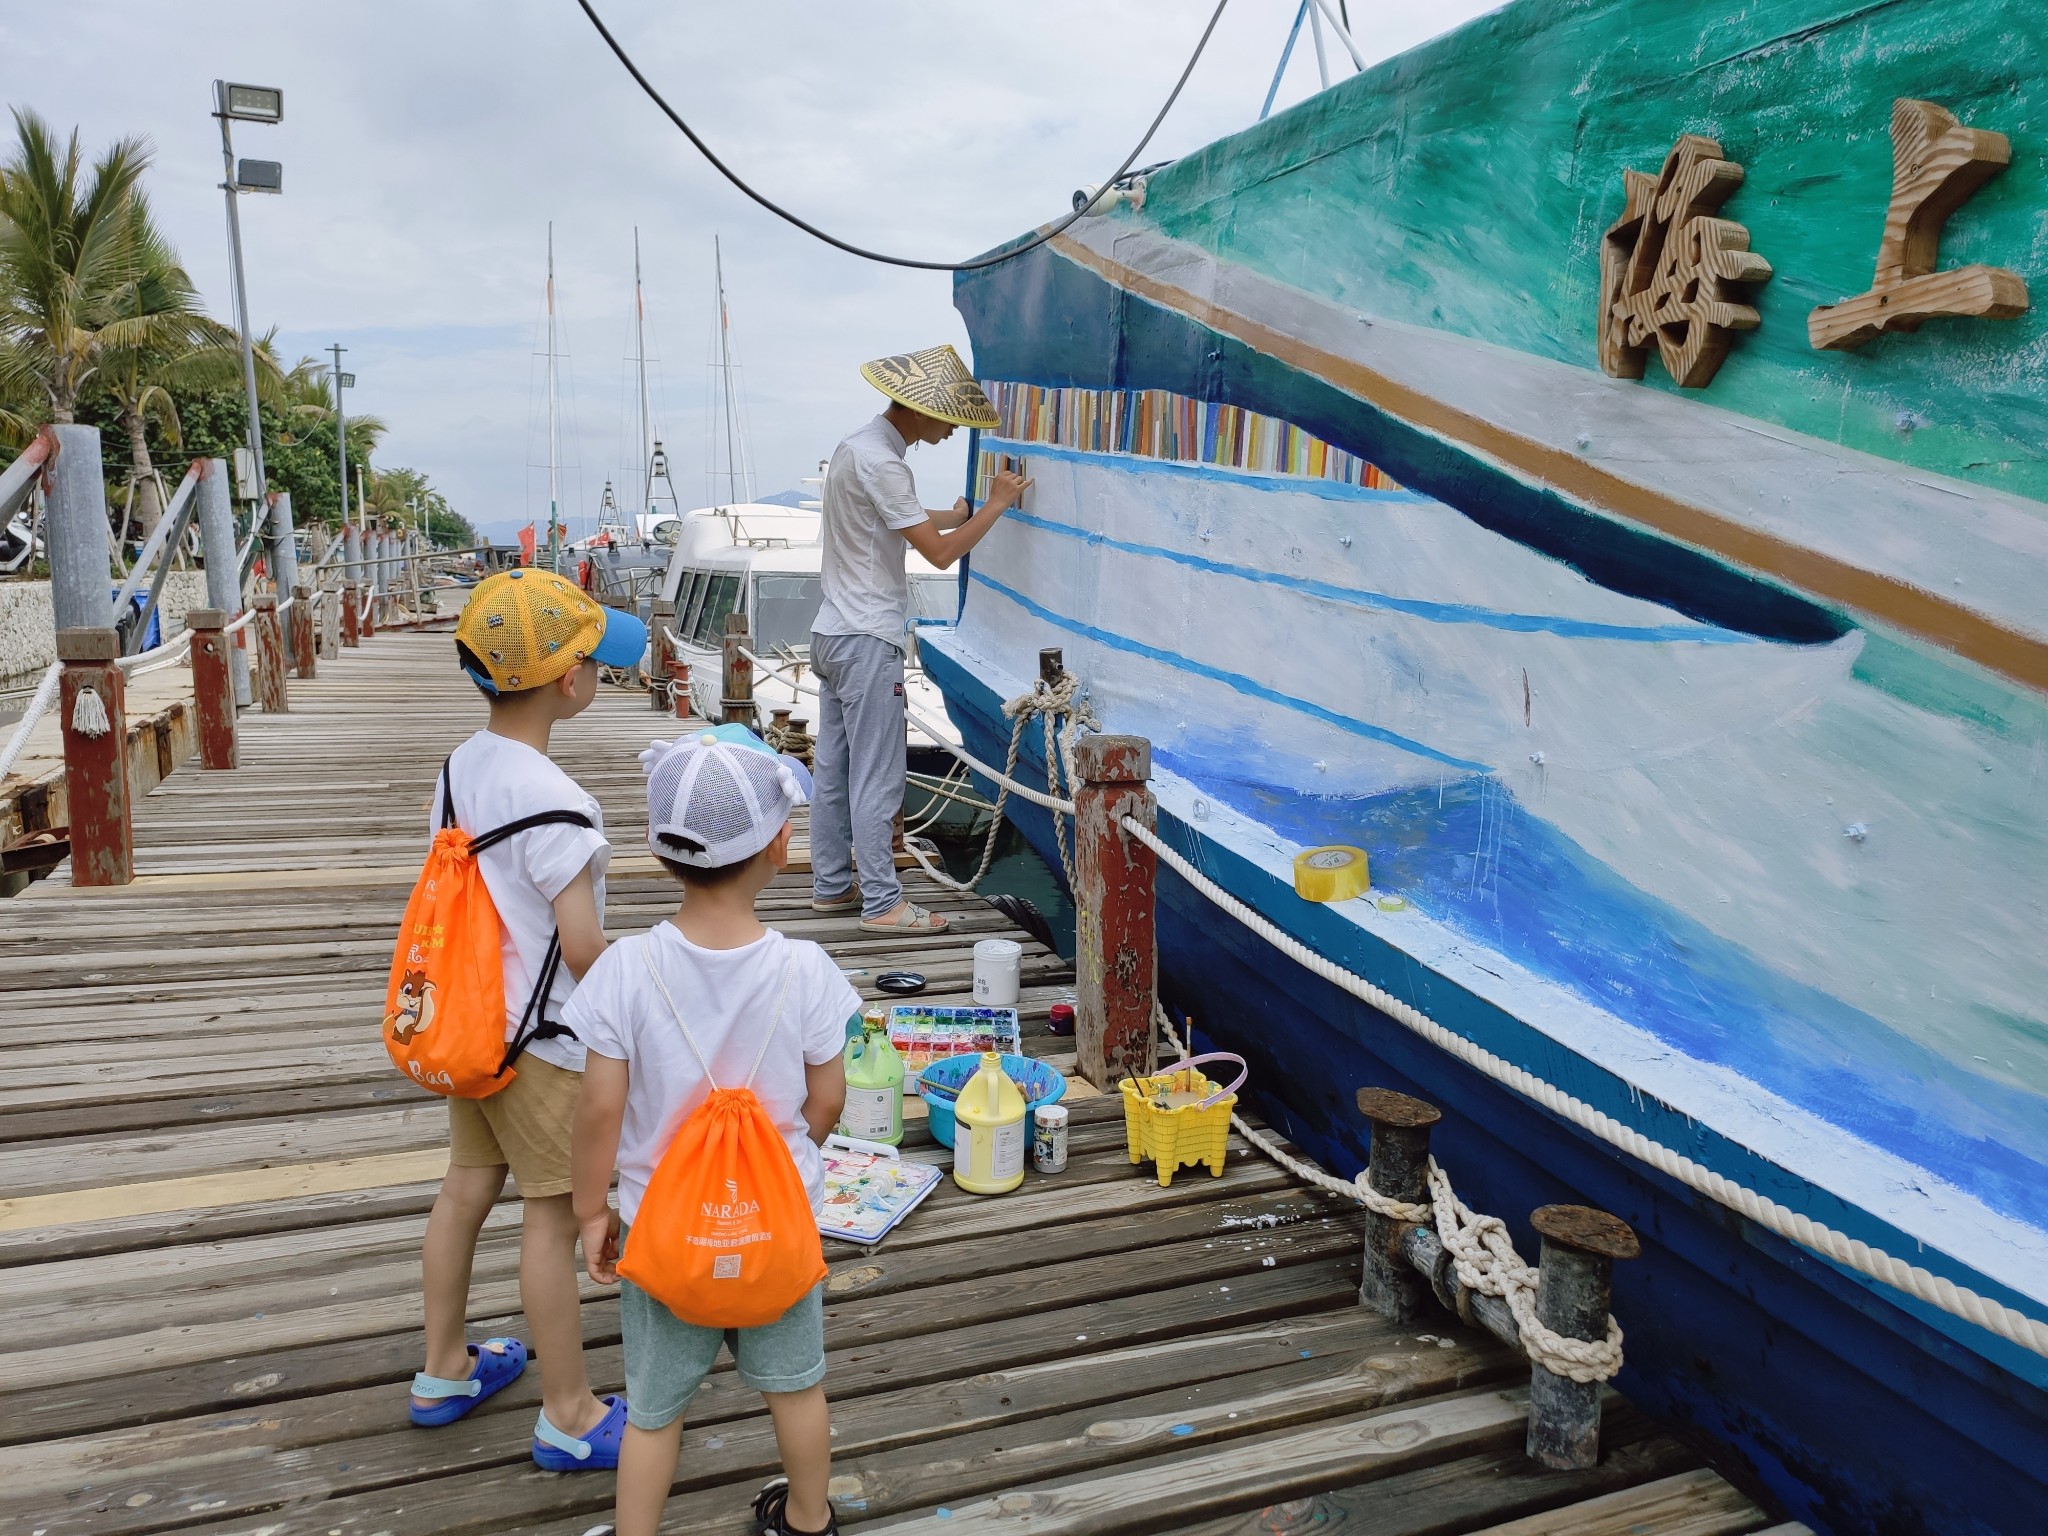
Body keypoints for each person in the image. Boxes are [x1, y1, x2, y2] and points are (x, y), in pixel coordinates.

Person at [568, 728, 858, 1536]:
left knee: (655, 1413)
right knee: (796, 1387)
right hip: (778, 1225)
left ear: (661, 854)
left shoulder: (624, 971)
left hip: (664, 1233)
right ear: (778, 844)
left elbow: (597, 1109)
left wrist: (593, 1211)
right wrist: (791, 1156)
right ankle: (806, 1519)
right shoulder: (806, 970)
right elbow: (826, 1101)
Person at [404, 568, 647, 1471]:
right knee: (550, 1218)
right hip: (542, 1045)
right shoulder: (562, 806)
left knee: (465, 1190)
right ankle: (570, 1413)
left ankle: (443, 1370)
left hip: (469, 1024)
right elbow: (584, 951)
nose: (594, 673)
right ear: (568, 682)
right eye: (589, 659)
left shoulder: (460, 767)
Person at [809, 344, 1030, 933]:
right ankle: (883, 903)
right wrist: (999, 506)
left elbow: (896, 515)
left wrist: (959, 513)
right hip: (866, 638)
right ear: (918, 409)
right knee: (878, 773)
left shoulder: (858, 446)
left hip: (831, 632)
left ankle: (831, 884)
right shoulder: (885, 461)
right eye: (949, 415)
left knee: (833, 768)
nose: (955, 427)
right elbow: (937, 555)